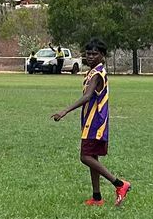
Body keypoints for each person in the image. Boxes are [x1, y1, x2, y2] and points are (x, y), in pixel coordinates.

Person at [51, 39, 130, 206]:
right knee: (92, 157)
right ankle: (96, 197)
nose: (91, 56)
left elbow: (87, 96)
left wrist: (64, 111)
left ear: (102, 56)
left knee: (85, 156)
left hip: (95, 122)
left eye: (95, 54)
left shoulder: (97, 74)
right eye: (89, 54)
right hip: (90, 119)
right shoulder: (92, 72)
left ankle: (120, 184)